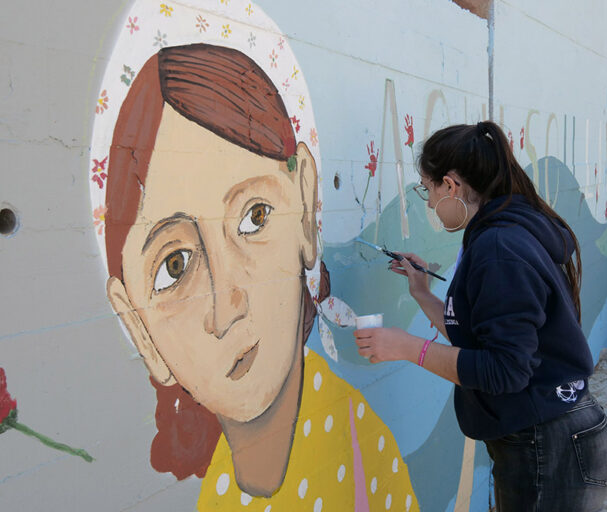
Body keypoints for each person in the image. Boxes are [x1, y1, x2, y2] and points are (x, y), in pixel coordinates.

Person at [101, 44, 417, 511]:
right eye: (175, 267)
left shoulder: (361, 448)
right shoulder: (215, 491)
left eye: (254, 217)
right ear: (139, 331)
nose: (227, 306)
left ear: (306, 206)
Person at [354, 122, 607, 511]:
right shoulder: (502, 230)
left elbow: (504, 370)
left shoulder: (499, 246)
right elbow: (481, 339)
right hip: (547, 437)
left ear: (452, 185)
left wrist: (408, 347)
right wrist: (422, 294)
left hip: (550, 445)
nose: (428, 203)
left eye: (428, 190)